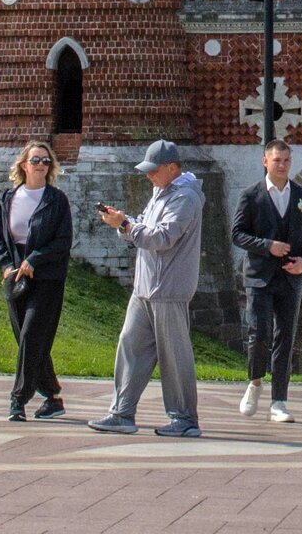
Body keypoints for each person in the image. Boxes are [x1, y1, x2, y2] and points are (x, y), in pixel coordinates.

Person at [89, 140, 206, 436]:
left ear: (171, 168)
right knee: (130, 346)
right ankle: (121, 412)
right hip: (145, 288)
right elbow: (146, 227)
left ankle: (185, 419)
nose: (148, 176)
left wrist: (127, 226)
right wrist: (126, 222)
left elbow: (162, 238)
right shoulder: (161, 193)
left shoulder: (185, 197)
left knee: (174, 355)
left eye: (153, 170)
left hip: (169, 289)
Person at [232, 139, 302, 424]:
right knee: (259, 333)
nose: (282, 166)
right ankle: (255, 382)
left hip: (290, 277)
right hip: (259, 276)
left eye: (286, 161)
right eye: (277, 160)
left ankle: (279, 400)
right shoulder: (251, 195)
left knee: (285, 336)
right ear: (265, 162)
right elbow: (238, 234)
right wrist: (266, 245)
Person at [0, 141, 73, 422]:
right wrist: (6, 265)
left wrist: (34, 260)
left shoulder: (56, 200)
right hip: (15, 277)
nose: (41, 165)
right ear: (24, 165)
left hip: (47, 277)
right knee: (27, 340)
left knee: (32, 336)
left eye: (46, 161)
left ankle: (18, 400)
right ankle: (52, 396)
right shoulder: (8, 198)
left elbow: (63, 241)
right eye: (35, 160)